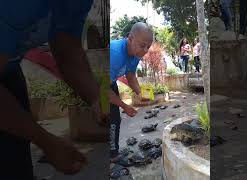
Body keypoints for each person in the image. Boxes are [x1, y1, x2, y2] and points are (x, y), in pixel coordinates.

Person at [0, 1, 107, 179]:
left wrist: (97, 101)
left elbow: (66, 44)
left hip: (9, 69)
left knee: (16, 165)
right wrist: (47, 142)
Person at [109, 22, 153, 169]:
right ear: (130, 38)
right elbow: (102, 89)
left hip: (110, 82)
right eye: (143, 45)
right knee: (109, 117)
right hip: (96, 83)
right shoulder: (115, 54)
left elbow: (130, 75)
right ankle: (111, 155)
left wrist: (141, 94)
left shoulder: (136, 54)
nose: (146, 50)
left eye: (149, 46)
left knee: (114, 118)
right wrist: (125, 106)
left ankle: (112, 153)